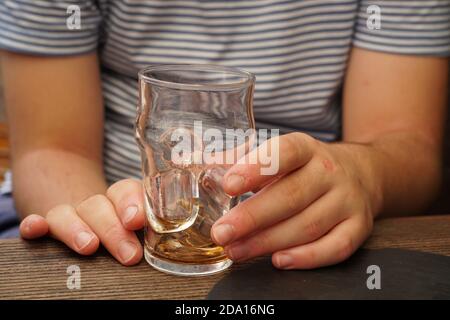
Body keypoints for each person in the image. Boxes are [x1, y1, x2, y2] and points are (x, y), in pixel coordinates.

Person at [0, 0, 448, 269]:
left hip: (314, 224)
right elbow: (50, 148)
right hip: (120, 211)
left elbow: (405, 142)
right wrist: (102, 224)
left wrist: (362, 174)